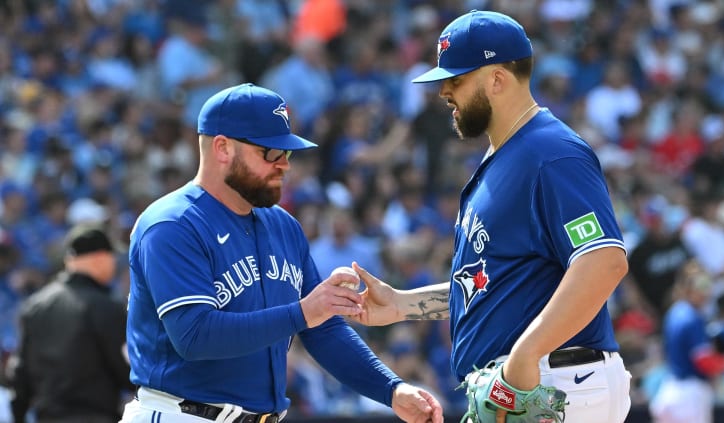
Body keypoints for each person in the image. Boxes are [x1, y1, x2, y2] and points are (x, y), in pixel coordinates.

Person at [350, 10, 632, 422]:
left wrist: (524, 358)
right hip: (532, 382)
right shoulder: (504, 156)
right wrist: (403, 304)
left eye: (457, 79)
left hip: (555, 383)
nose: (445, 91)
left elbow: (603, 262)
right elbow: (498, 284)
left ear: (497, 79)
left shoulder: (550, 153)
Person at [120, 83, 443, 423]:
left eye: (287, 153)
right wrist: (303, 312)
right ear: (222, 148)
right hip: (182, 415)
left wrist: (390, 389)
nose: (284, 165)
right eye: (270, 153)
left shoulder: (283, 226)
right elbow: (194, 335)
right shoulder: (172, 224)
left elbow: (323, 328)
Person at [8, 224, 132, 423]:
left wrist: (18, 415)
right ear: (100, 258)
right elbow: (127, 370)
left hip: (48, 418)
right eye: (110, 256)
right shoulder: (107, 306)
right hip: (96, 417)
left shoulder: (36, 305)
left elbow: (20, 374)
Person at [649, 260, 724, 423]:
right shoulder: (692, 317)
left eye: (708, 284)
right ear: (688, 287)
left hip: (672, 390)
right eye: (702, 285)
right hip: (689, 396)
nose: (707, 291)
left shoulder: (675, 311)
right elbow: (703, 361)